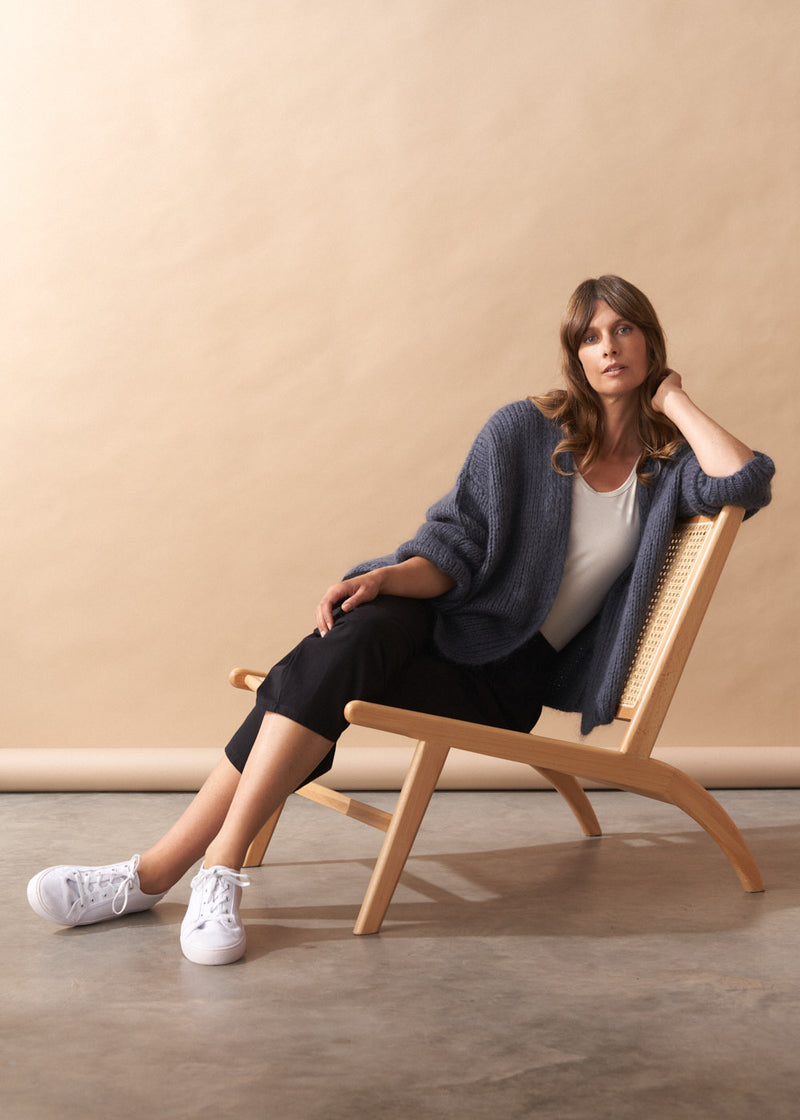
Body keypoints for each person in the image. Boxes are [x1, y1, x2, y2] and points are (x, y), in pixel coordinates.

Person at [27, 275, 775, 965]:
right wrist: (385, 576)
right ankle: (214, 870)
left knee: (314, 671)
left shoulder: (670, 469)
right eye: (590, 335)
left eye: (623, 330)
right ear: (574, 355)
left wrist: (672, 398)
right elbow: (454, 547)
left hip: (506, 679)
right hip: (450, 622)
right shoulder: (522, 430)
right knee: (356, 627)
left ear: (649, 339)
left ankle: (151, 874)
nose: (607, 347)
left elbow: (746, 478)